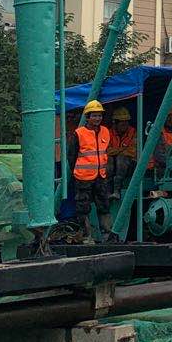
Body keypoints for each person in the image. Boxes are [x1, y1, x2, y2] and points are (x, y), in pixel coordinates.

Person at [68, 100, 112, 242]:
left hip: (100, 176)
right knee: (83, 208)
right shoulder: (79, 133)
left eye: (99, 115)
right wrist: (76, 172)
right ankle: (87, 236)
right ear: (87, 117)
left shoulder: (105, 131)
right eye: (94, 115)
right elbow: (72, 156)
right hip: (83, 178)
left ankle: (107, 236)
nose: (97, 118)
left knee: (104, 205)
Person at [105, 106, 138, 196]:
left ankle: (117, 190)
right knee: (108, 159)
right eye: (122, 122)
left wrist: (117, 151)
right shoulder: (108, 133)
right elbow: (106, 151)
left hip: (130, 166)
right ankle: (108, 191)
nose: (125, 125)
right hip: (112, 167)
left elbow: (133, 151)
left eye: (126, 122)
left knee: (121, 158)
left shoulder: (133, 132)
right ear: (115, 123)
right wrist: (123, 149)